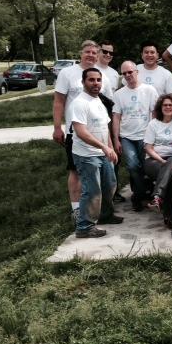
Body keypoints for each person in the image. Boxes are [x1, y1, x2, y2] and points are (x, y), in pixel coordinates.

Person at [69, 68, 123, 238]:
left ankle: (105, 215)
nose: (95, 83)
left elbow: (104, 127)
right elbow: (81, 132)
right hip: (86, 155)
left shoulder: (98, 100)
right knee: (92, 190)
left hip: (102, 152)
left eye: (98, 80)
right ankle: (84, 227)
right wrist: (104, 147)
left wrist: (110, 148)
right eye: (91, 80)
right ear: (83, 82)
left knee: (110, 184)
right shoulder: (79, 103)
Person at [52, 40, 99, 221]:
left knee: (98, 170)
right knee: (75, 170)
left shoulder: (102, 74)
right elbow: (58, 101)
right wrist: (57, 127)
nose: (91, 55)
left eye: (94, 53)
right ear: (81, 53)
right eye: (88, 52)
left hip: (99, 130)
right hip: (75, 131)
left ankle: (96, 208)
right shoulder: (68, 73)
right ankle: (77, 210)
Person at [113, 61, 159, 211]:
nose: (127, 75)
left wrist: (153, 136)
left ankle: (146, 194)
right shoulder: (119, 94)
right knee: (133, 166)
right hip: (127, 137)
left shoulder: (149, 90)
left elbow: (155, 114)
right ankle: (139, 195)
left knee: (146, 167)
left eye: (130, 72)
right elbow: (116, 117)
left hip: (145, 136)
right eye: (124, 73)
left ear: (137, 72)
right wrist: (116, 139)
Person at [143, 94, 172, 225]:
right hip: (153, 160)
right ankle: (170, 215)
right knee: (169, 173)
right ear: (160, 107)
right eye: (165, 105)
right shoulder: (153, 124)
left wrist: (168, 163)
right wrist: (162, 161)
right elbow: (148, 148)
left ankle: (158, 198)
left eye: (171, 105)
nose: (168, 107)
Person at [96, 40, 125, 202]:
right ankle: (103, 191)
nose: (107, 55)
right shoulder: (92, 70)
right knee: (100, 152)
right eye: (104, 51)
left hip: (112, 114)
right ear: (98, 51)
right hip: (96, 115)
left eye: (111, 53)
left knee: (114, 153)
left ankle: (114, 190)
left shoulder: (114, 73)